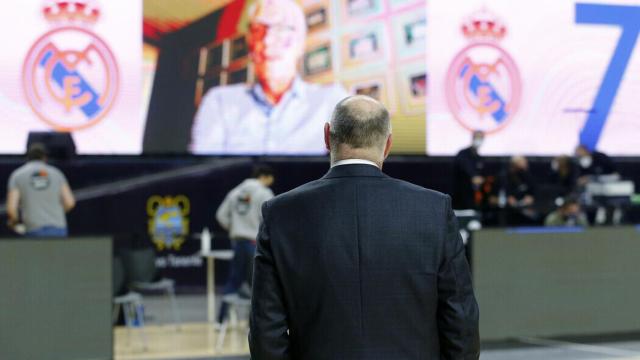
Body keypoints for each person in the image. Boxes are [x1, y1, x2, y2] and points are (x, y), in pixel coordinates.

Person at [250, 96, 480, 359]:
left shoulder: (280, 213)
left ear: (327, 136)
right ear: (388, 144)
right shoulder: (434, 210)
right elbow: (461, 322)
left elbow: (266, 331)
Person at [190, 0, 348, 155]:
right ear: (250, 44)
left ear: (300, 43)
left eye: (281, 29)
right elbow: (203, 175)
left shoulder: (333, 102)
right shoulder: (219, 103)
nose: (267, 40)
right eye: (258, 30)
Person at [216, 164, 275, 323]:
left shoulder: (235, 192)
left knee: (233, 281)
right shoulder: (264, 192)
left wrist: (234, 227)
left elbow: (221, 215)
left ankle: (220, 320)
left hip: (237, 242)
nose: (272, 181)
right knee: (257, 284)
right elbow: (271, 218)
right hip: (254, 242)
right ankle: (254, 323)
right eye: (271, 178)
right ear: (264, 176)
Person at [6, 143, 75, 237]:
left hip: (33, 229)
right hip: (58, 228)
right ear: (45, 157)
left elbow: (12, 209)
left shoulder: (17, 175)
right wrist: (54, 213)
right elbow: (70, 202)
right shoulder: (57, 174)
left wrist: (14, 223)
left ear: (27, 158)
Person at [453, 130, 485, 209]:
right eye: (477, 137)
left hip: (473, 195)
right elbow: (463, 166)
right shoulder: (462, 153)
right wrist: (473, 177)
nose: (479, 140)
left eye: (481, 138)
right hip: (460, 194)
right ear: (473, 138)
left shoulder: (479, 158)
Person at [503, 155, 538, 225]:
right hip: (512, 209)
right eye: (522, 162)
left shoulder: (528, 175)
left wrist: (530, 198)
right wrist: (511, 200)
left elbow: (534, 190)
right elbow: (507, 193)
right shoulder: (508, 176)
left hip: (528, 206)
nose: (525, 163)